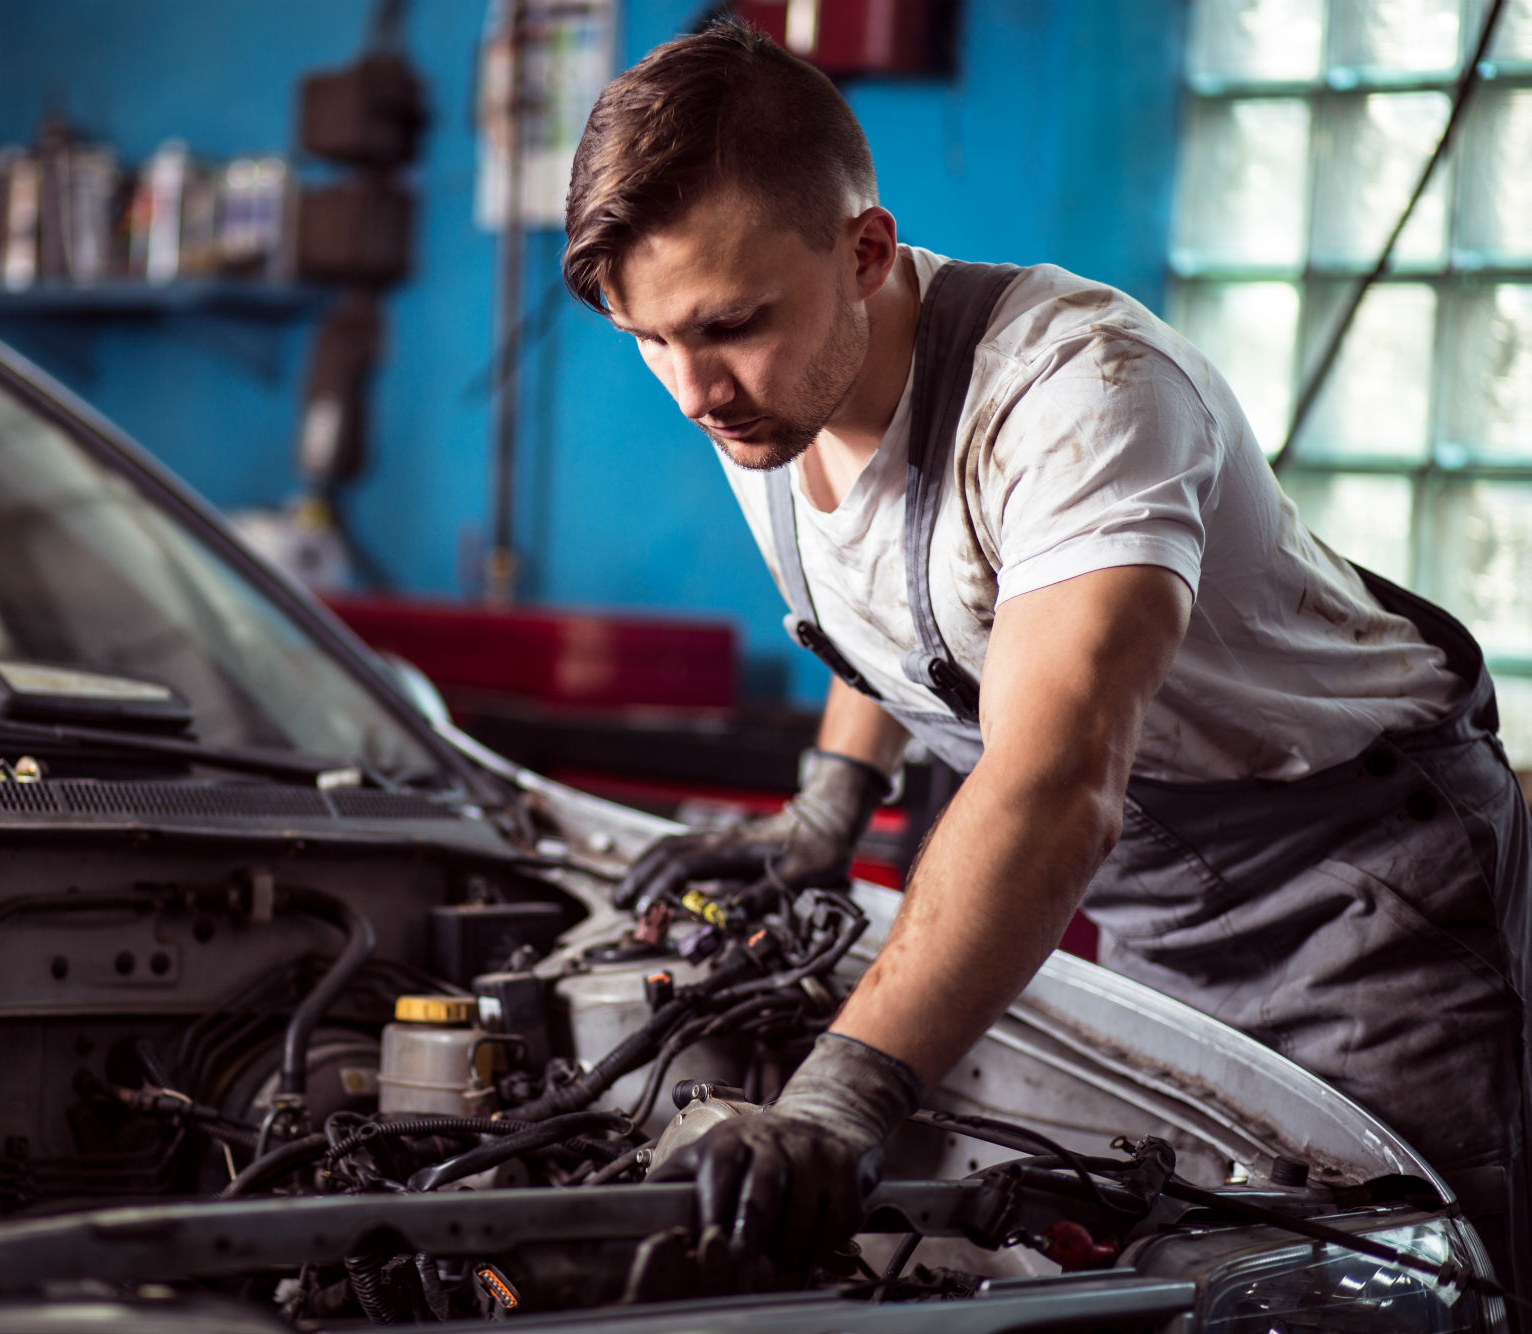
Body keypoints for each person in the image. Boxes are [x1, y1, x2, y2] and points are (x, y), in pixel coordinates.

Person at [563, 18, 1531, 1292]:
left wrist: (838, 1095)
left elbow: (1054, 776)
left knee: (1398, 1279)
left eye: (726, 325)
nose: (692, 390)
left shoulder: (1084, 395)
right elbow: (897, 623)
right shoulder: (767, 390)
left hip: (1355, 894)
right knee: (1176, 1276)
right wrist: (822, 808)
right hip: (1145, 911)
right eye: (650, 340)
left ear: (863, 251)